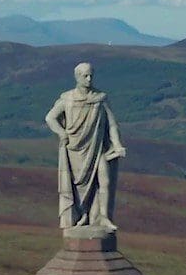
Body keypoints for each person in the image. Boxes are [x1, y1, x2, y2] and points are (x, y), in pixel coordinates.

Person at [45, 62, 127, 230]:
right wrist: (62, 133)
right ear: (77, 77)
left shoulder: (100, 99)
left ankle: (103, 217)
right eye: (85, 76)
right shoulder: (67, 99)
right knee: (78, 187)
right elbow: (50, 117)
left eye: (91, 75)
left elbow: (112, 125)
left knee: (105, 181)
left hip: (96, 149)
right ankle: (82, 215)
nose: (89, 79)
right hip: (74, 150)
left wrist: (117, 144)